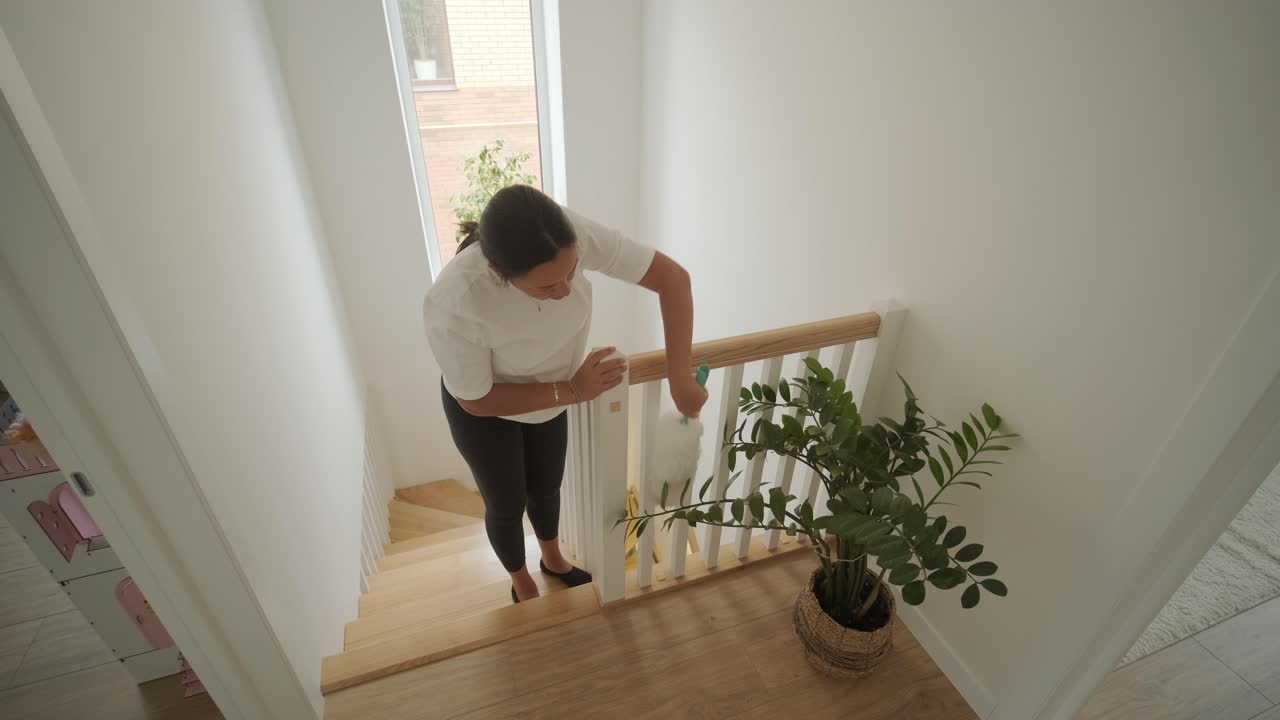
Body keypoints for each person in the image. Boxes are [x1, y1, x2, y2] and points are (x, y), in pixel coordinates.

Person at [423, 185, 708, 603]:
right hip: (486, 412)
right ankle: (521, 581)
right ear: (502, 274)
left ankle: (552, 558)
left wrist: (679, 377)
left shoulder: (566, 235)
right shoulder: (454, 302)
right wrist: (572, 390)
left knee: (546, 488)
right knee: (506, 504)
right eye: (546, 287)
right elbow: (476, 399)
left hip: (554, 398)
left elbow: (672, 279)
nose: (565, 291)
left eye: (571, 273)